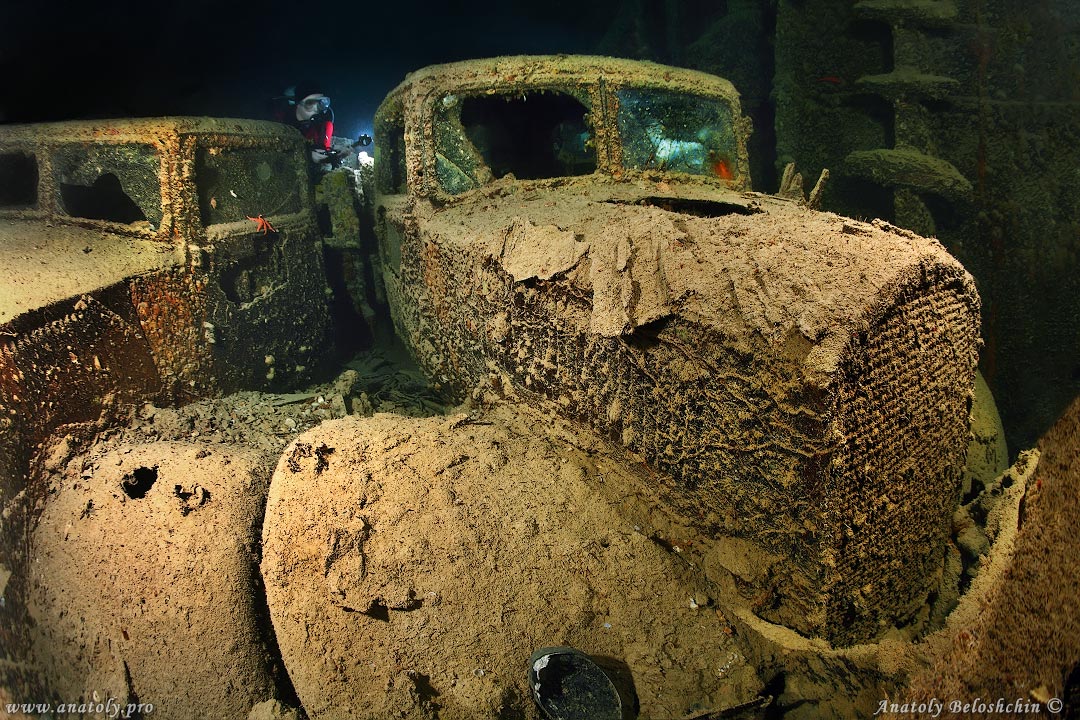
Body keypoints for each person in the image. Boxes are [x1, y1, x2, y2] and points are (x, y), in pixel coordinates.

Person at [273, 83, 336, 168]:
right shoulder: (282, 121)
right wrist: (307, 156)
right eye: (310, 103)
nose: (316, 108)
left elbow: (322, 146)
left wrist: (333, 152)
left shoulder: (323, 124)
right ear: (297, 104)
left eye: (321, 103)